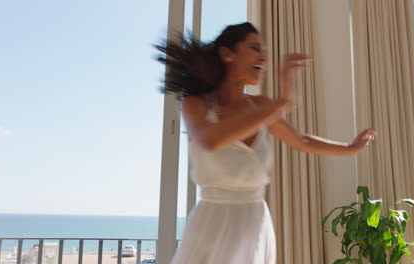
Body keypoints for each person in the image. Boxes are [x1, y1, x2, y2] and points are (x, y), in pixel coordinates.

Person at [156, 22, 375, 264]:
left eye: (264, 50)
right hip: (213, 224)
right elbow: (210, 140)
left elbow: (300, 140)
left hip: (256, 225)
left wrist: (350, 149)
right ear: (226, 54)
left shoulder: (260, 106)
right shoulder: (196, 104)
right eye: (254, 47)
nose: (263, 57)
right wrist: (280, 104)